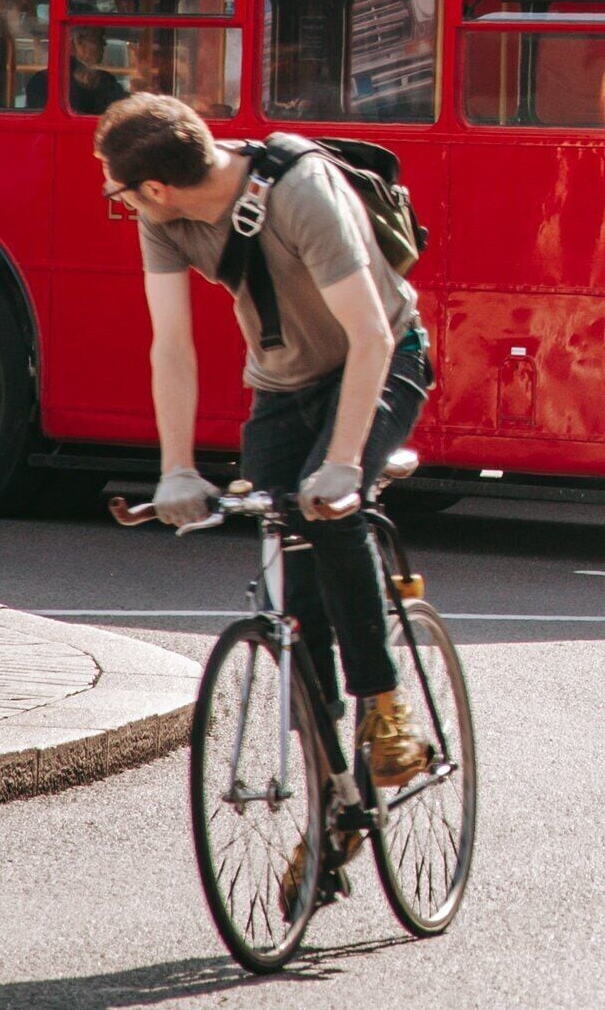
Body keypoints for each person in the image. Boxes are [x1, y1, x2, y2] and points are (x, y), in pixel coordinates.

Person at [103, 93, 440, 847]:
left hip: (383, 363)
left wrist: (345, 466)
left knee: (328, 510)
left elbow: (372, 337)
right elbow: (173, 348)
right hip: (284, 389)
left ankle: (386, 711)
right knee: (290, 584)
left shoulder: (299, 192)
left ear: (153, 186)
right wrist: (178, 470)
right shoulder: (166, 223)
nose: (119, 205)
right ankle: (334, 798)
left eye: (119, 193)